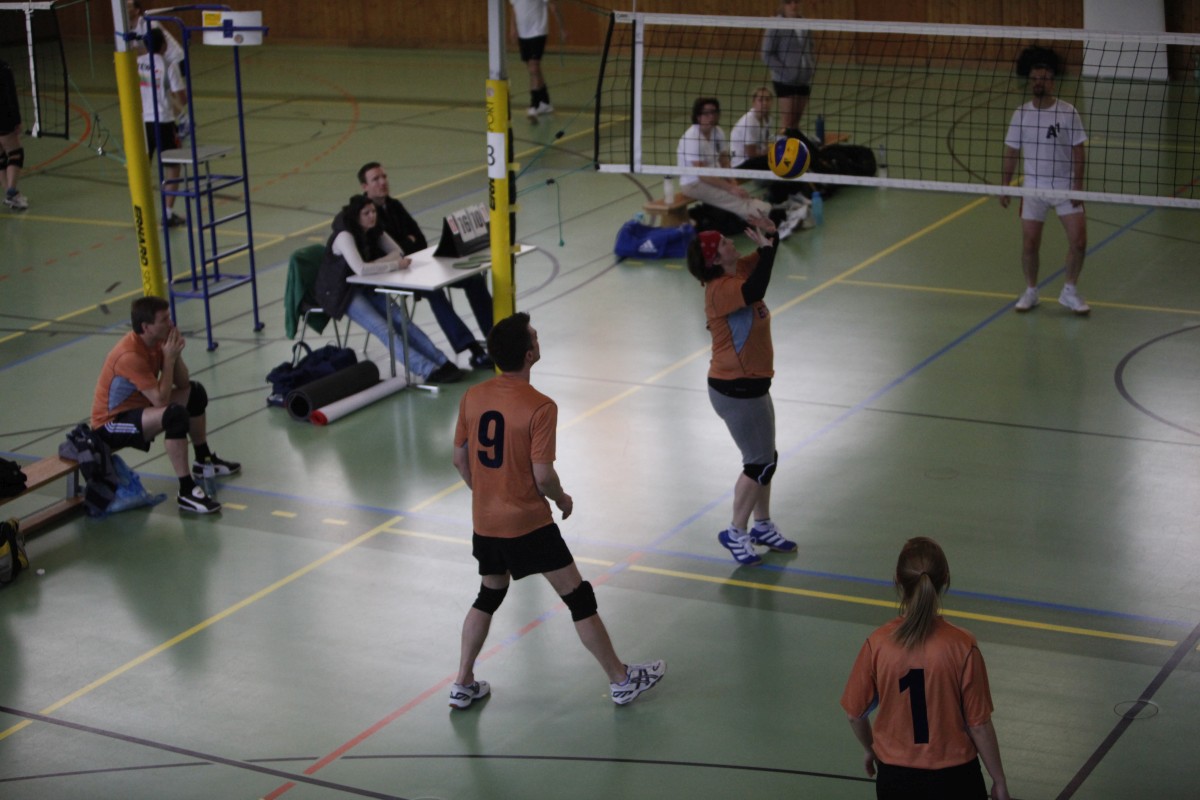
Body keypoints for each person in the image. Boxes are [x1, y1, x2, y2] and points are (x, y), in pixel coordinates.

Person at [449, 312, 666, 708]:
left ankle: (462, 682)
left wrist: (486, 496)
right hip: (529, 524)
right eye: (534, 336)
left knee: (488, 595)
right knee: (578, 597)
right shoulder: (540, 406)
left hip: (486, 523)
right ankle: (620, 680)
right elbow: (543, 474)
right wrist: (561, 499)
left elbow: (460, 459)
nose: (538, 339)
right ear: (529, 354)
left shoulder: (472, 397)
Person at [840, 537, 1010, 800]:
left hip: (896, 778)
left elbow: (855, 714)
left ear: (897, 580)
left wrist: (871, 748)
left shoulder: (878, 644)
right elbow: (978, 724)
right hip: (955, 778)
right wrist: (999, 780)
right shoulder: (963, 645)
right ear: (946, 580)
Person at [685, 218, 798, 567]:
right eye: (723, 242)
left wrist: (772, 235)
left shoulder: (737, 271)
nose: (730, 242)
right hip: (735, 388)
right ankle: (735, 531)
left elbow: (764, 261)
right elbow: (757, 289)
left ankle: (762, 525)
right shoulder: (720, 288)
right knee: (758, 462)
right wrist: (766, 249)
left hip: (752, 385)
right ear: (715, 259)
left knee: (766, 458)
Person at [91, 296, 239, 514]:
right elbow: (160, 401)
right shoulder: (129, 355)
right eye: (164, 319)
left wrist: (175, 355)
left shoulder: (158, 341)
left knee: (195, 392)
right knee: (174, 415)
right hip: (110, 424)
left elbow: (183, 383)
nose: (171, 323)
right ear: (146, 327)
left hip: (140, 409)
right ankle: (186, 491)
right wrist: (168, 360)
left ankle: (203, 460)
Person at [357, 162, 494, 369]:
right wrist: (407, 243)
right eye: (376, 179)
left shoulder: (394, 205)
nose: (383, 182)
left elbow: (419, 239)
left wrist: (406, 245)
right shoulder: (365, 215)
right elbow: (388, 253)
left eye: (384, 177)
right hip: (392, 275)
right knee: (433, 291)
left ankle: (495, 337)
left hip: (416, 264)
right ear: (364, 187)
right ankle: (472, 348)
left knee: (473, 280)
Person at [315, 195, 464, 384]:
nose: (372, 216)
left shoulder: (374, 229)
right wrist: (391, 264)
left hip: (366, 284)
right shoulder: (345, 236)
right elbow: (361, 269)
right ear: (356, 216)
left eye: (373, 211)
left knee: (402, 321)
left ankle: (442, 362)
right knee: (384, 330)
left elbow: (398, 252)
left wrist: (376, 263)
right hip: (342, 292)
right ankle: (427, 370)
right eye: (366, 213)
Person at [1000, 48, 1089, 315]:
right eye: (1035, 78)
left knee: (1079, 241)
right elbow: (1011, 152)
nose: (1039, 82)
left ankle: (1069, 291)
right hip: (1033, 187)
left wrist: (1078, 185)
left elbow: (1078, 150)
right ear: (1030, 81)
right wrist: (1004, 186)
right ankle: (1031, 291)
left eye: (1044, 78)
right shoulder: (1021, 114)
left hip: (1064, 186)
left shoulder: (1068, 112)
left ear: (1052, 81)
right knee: (1029, 244)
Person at [677, 96, 803, 236]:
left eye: (714, 112)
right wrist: (730, 188)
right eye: (706, 113)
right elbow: (702, 175)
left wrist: (732, 182)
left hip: (714, 177)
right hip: (694, 183)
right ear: (698, 116)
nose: (711, 116)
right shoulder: (692, 138)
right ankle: (777, 221)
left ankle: (778, 215)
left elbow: (724, 160)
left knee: (741, 196)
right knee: (735, 200)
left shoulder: (717, 132)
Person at [138, 29, 187, 227]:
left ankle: (141, 214)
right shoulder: (169, 66)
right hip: (164, 123)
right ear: (164, 45)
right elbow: (182, 98)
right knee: (173, 168)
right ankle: (167, 215)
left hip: (143, 124)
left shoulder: (137, 63)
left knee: (142, 168)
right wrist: (175, 104)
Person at [730, 86, 808, 210]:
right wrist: (772, 152)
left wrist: (775, 145)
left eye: (767, 99)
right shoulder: (750, 122)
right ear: (754, 102)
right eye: (760, 100)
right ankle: (777, 200)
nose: (764, 103)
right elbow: (751, 153)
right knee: (779, 162)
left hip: (758, 155)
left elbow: (768, 139)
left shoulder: (768, 118)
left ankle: (794, 193)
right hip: (742, 162)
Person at [762, 0, 815, 135]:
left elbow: (810, 46)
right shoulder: (776, 24)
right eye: (789, 2)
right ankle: (783, 147)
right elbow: (767, 54)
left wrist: (810, 67)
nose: (793, 5)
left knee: (795, 124)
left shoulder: (805, 23)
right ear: (783, 5)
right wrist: (787, 72)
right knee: (787, 124)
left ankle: (795, 147)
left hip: (803, 80)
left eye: (796, 2)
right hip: (784, 81)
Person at [509, 0, 565, 120]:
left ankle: (534, 105)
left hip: (538, 31)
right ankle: (545, 102)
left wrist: (562, 28)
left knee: (533, 68)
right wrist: (512, 27)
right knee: (534, 69)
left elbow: (553, 6)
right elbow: (514, 7)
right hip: (523, 33)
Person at [0, 58, 28, 211]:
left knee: (1, 158)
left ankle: (9, 195)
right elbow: (10, 95)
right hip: (3, 117)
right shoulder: (4, 68)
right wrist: (16, 120)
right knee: (15, 153)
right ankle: (11, 193)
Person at [127, 1, 186, 71]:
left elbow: (154, 49)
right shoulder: (128, 29)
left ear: (137, 11)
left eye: (128, 7)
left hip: (175, 59)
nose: (124, 10)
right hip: (159, 61)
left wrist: (133, 52)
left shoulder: (149, 24)